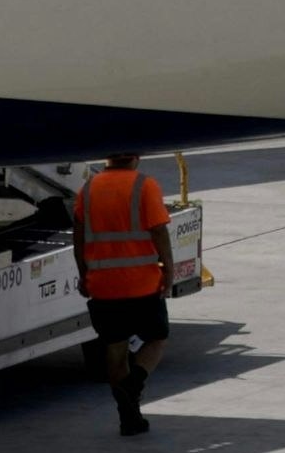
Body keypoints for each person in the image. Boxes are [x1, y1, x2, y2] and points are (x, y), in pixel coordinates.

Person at [74, 151, 181, 435]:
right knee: (157, 339)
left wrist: (83, 273)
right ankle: (134, 384)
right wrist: (169, 270)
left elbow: (78, 235)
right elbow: (159, 231)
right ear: (135, 158)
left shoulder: (88, 189)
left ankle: (128, 416)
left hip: (104, 285)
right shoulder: (144, 185)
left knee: (115, 347)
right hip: (142, 283)